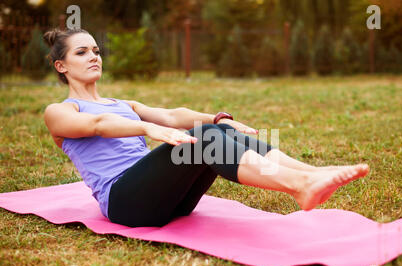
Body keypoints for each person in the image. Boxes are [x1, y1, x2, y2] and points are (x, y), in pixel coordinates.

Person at [42, 28, 369, 228]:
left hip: (172, 203)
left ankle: (311, 174)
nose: (94, 57)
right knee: (203, 139)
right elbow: (97, 125)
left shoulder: (121, 104)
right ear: (61, 66)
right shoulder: (60, 111)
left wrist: (218, 118)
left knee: (217, 133)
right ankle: (299, 185)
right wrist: (148, 129)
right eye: (82, 52)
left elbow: (171, 115)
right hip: (126, 204)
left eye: (97, 51)